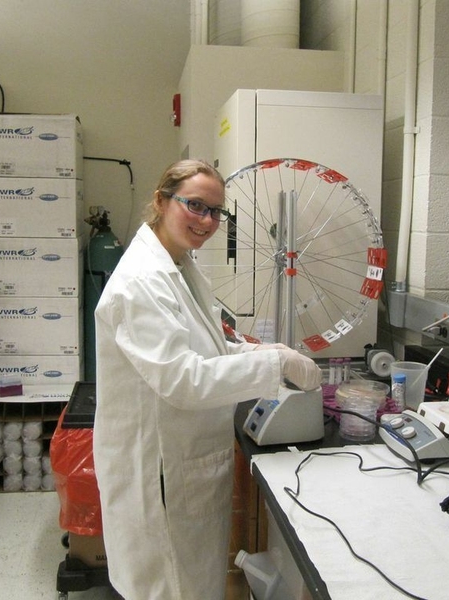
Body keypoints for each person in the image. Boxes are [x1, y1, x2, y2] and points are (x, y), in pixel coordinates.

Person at [93, 159, 322, 599]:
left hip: (186, 465)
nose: (207, 221)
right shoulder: (142, 281)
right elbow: (184, 379)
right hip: (161, 475)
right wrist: (275, 366)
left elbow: (208, 351)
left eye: (216, 211)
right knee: (175, 588)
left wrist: (265, 351)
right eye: (195, 205)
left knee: (195, 583)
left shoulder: (179, 266)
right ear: (161, 201)